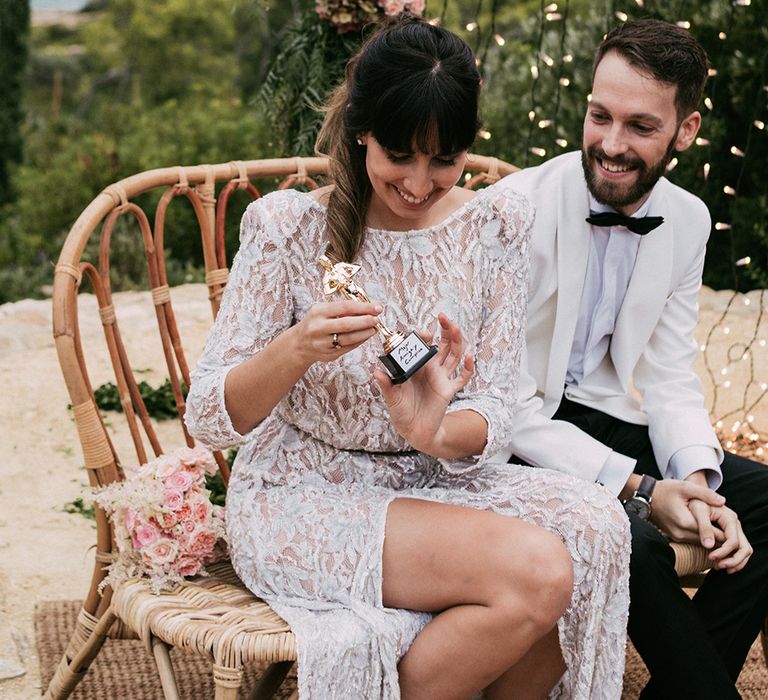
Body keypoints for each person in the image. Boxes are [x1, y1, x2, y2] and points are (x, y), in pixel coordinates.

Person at [185, 14, 630, 700]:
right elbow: (208, 418)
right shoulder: (286, 228)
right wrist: (297, 348)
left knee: (594, 530)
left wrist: (433, 430)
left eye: (444, 159)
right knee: (540, 573)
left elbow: (498, 410)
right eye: (401, 154)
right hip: (302, 495)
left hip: (435, 478)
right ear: (362, 128)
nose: (421, 182)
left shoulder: (496, 226)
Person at [494, 18, 768, 699]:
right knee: (635, 543)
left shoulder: (690, 218)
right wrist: (643, 490)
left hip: (599, 417)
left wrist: (697, 484)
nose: (611, 145)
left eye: (640, 126)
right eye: (599, 116)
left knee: (765, 501)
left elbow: (670, 375)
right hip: (510, 440)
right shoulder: (513, 211)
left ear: (687, 130)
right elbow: (502, 401)